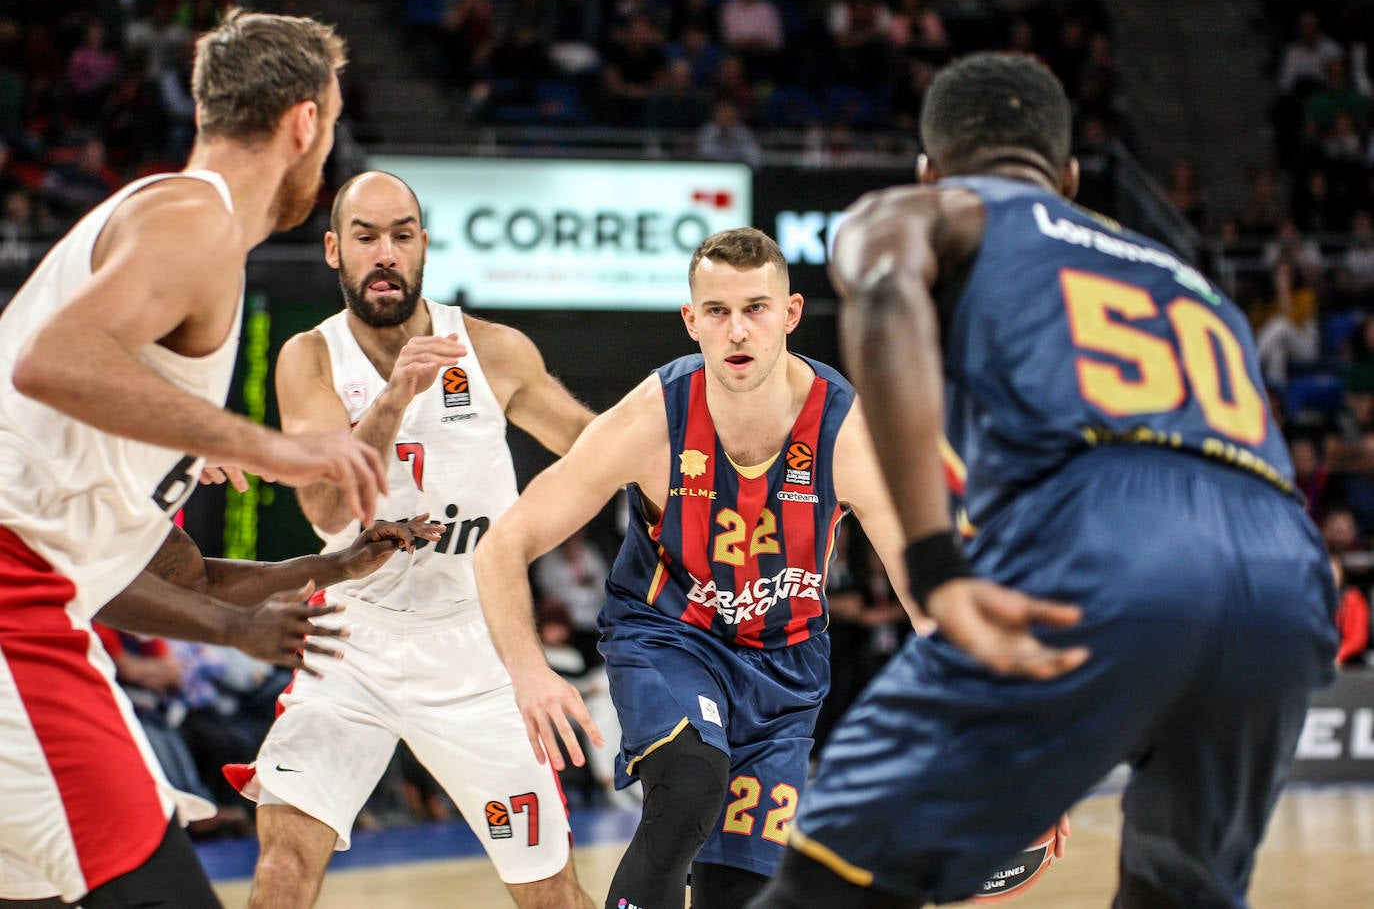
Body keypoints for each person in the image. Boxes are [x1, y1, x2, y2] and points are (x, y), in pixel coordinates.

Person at [750, 52, 1339, 907]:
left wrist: (932, 562)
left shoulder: (932, 211)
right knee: (1180, 890)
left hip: (1109, 529)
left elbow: (882, 299)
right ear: (1066, 175)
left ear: (929, 170)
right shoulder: (1189, 279)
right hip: (1284, 570)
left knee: (831, 878)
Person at [0, 10, 390, 909]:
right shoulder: (196, 217)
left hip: (49, 605)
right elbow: (52, 360)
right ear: (304, 123)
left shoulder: (169, 229)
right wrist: (276, 448)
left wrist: (308, 565)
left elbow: (151, 569)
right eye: (328, 130)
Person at [473, 227, 920, 909]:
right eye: (717, 311)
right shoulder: (652, 419)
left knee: (736, 892)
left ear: (792, 314)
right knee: (689, 787)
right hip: (669, 635)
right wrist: (529, 672)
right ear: (691, 321)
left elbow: (930, 599)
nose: (737, 330)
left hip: (786, 666)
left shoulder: (845, 432)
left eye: (756, 308)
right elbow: (503, 544)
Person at [232, 170, 599, 909]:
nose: (386, 253)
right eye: (366, 237)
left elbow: (598, 450)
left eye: (401, 234)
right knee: (279, 870)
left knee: (551, 896)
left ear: (424, 244)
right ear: (335, 250)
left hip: (476, 650)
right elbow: (328, 510)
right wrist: (395, 397)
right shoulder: (310, 357)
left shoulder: (491, 350)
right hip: (351, 647)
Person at [0, 514, 441, 908]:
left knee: (31, 892)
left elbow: (194, 582)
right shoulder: (84, 447)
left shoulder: (136, 484)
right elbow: (106, 585)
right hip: (23, 677)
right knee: (153, 881)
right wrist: (234, 627)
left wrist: (339, 566)